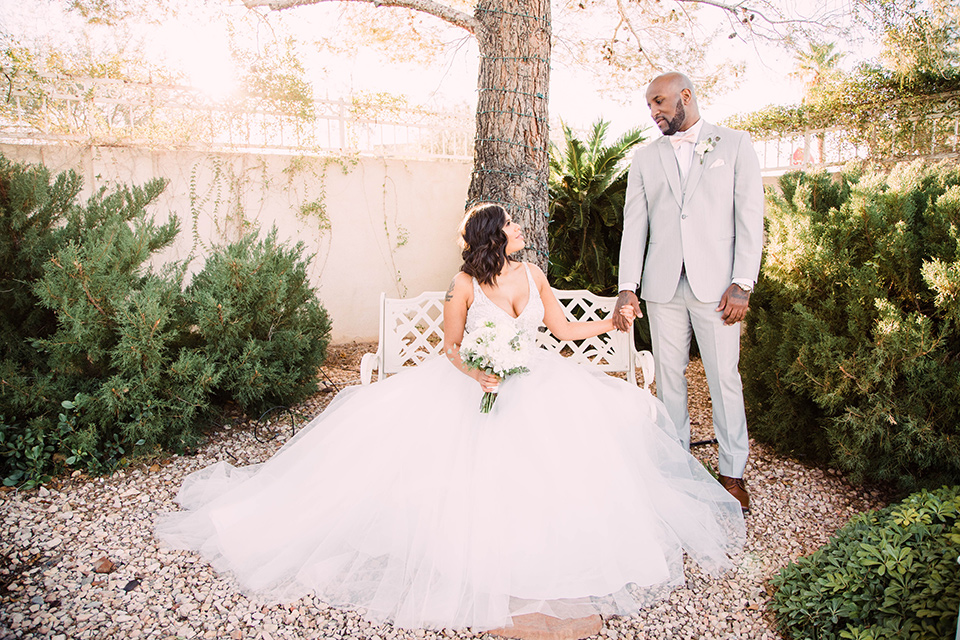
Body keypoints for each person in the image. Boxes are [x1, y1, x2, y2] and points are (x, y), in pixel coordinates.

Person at [156, 203, 745, 637]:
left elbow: (562, 330)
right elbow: (452, 347)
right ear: (494, 236)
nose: (519, 228)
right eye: (510, 224)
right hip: (477, 386)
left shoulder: (533, 273)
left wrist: (608, 327)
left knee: (563, 460)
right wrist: (476, 376)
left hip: (536, 381)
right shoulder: (463, 284)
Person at [613, 72, 765, 513]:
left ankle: (732, 474)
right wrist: (628, 287)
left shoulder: (734, 145)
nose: (655, 111)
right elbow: (634, 226)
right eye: (649, 106)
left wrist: (743, 282)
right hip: (662, 288)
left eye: (659, 101)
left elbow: (749, 218)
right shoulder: (644, 158)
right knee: (670, 380)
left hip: (718, 289)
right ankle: (678, 469)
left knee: (724, 379)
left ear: (686, 96)